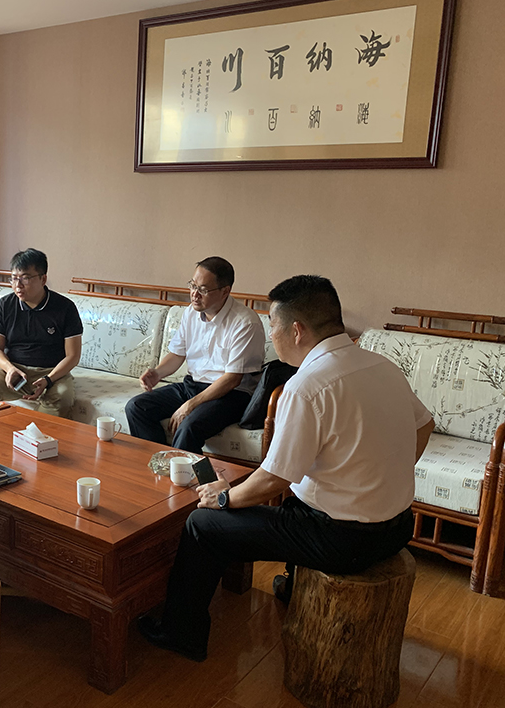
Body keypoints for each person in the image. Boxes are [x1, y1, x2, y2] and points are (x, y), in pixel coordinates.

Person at [138, 275, 435, 662]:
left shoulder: (307, 385)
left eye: (272, 326)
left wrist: (224, 497)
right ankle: (292, 587)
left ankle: (182, 633)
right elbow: (424, 424)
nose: (271, 336)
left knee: (203, 524)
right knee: (299, 499)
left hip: (342, 539)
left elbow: (274, 478)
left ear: (297, 330)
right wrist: (385, 473)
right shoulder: (381, 365)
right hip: (398, 527)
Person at [125, 257, 265, 453]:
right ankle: (158, 463)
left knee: (188, 427)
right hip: (193, 386)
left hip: (230, 395)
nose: (194, 294)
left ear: (225, 291)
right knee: (137, 407)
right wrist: (157, 373)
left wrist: (189, 406)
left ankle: (181, 472)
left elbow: (232, 379)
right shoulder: (191, 313)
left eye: (203, 290)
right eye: (192, 285)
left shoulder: (245, 322)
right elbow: (177, 354)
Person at [0, 248, 83, 417]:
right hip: (13, 368)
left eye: (25, 278)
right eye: (14, 278)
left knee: (62, 395)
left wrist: (48, 379)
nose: (18, 285)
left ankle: (36, 432)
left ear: (43, 279)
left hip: (51, 372)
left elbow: (73, 356)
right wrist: (9, 369)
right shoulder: (5, 305)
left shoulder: (65, 308)